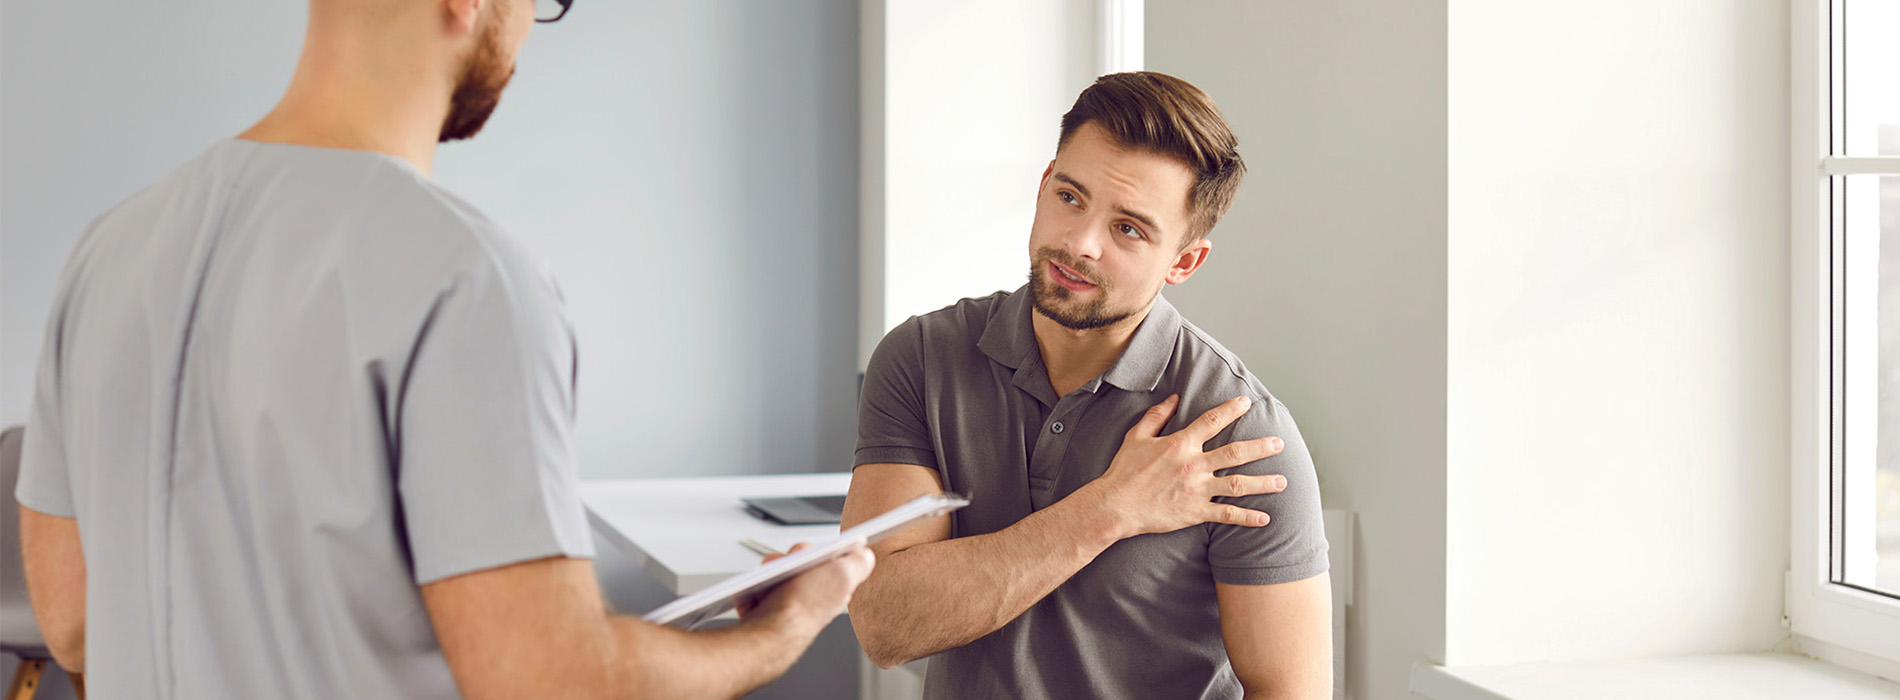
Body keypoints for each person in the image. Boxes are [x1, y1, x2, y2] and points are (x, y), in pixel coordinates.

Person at [15, 0, 872, 697]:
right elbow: (550, 681)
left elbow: (73, 621)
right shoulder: (467, 274)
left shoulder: (107, 251)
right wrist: (782, 625)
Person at [843, 71, 1332, 699]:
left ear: (1184, 261)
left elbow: (1290, 690)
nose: (1079, 243)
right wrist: (1111, 508)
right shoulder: (920, 358)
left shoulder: (1240, 433)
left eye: (1129, 228)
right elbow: (883, 625)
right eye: (1071, 197)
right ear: (1045, 184)